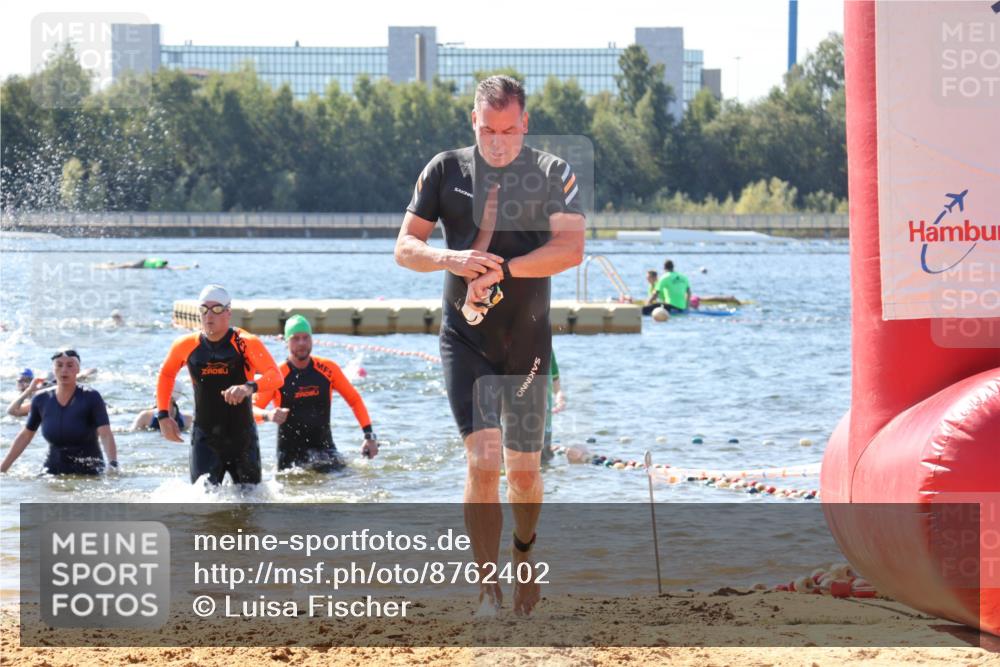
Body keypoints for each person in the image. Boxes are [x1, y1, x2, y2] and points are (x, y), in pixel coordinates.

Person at [394, 75, 585, 617]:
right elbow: (406, 247)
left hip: (526, 343)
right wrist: (451, 260)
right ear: (471, 123)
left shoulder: (551, 173)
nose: (497, 142)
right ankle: (486, 587)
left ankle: (523, 554)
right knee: (482, 457)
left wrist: (503, 269)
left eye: (508, 129)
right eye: (486, 130)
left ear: (525, 123)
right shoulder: (444, 170)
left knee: (523, 470)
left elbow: (570, 249)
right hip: (465, 338)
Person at [155, 285, 282, 485]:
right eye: (204, 309)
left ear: (228, 312)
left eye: (216, 309)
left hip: (243, 438)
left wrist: (248, 387)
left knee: (251, 505)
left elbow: (276, 376)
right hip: (205, 439)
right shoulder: (185, 345)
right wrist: (163, 415)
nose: (209, 315)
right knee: (203, 505)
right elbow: (166, 374)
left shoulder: (245, 342)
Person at [253, 314, 379, 472]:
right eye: (295, 338)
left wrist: (369, 437)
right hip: (291, 460)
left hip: (325, 451)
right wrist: (268, 415)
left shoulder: (328, 369)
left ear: (312, 339)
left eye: (306, 338)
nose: (301, 343)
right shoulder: (277, 375)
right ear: (286, 342)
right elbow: (251, 409)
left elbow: (354, 400)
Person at [1, 350, 118, 475]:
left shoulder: (91, 397)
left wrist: (113, 464)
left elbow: (105, 434)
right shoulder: (41, 399)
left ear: (78, 369)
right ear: (53, 368)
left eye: (70, 365)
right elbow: (26, 435)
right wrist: (2, 469)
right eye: (59, 365)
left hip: (89, 469)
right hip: (52, 469)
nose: (64, 370)